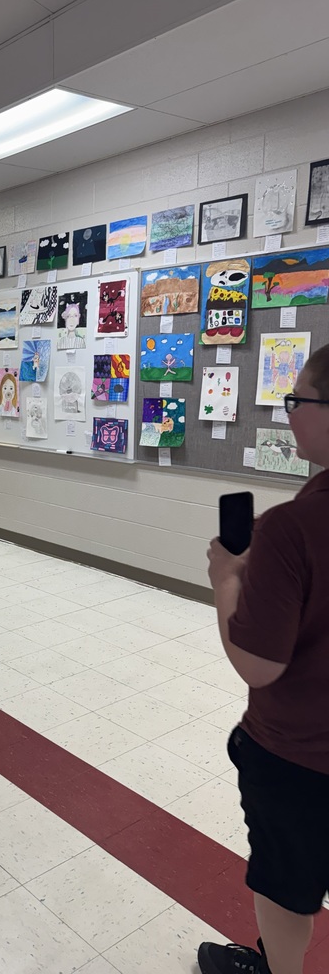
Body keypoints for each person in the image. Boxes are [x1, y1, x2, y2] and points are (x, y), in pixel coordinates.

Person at [198, 344, 329, 974]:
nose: (290, 412)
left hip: (300, 756)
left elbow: (258, 664)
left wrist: (227, 579)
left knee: (287, 884)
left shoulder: (292, 528)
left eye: (298, 400)